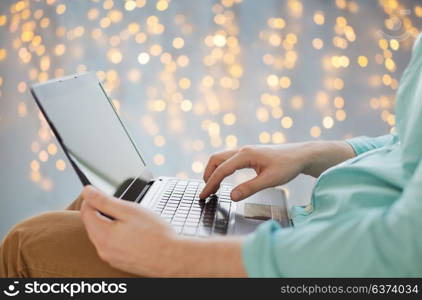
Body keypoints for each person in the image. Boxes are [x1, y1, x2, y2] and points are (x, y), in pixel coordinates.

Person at [1, 34, 422, 278]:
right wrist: (314, 152)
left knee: (31, 240)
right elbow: (406, 144)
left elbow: (404, 252)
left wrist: (175, 254)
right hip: (316, 233)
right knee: (98, 209)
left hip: (319, 266)